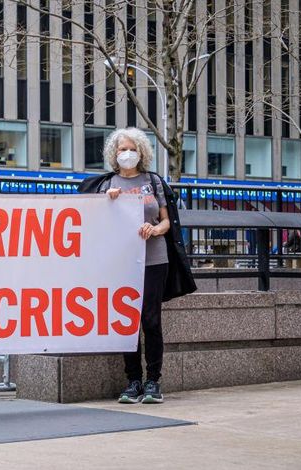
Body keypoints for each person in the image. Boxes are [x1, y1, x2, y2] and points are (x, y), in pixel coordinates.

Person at [78, 127, 195, 405]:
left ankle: (153, 381)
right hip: (122, 262)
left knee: (151, 319)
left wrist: (154, 230)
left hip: (154, 259)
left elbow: (167, 221)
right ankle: (133, 381)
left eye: (131, 148)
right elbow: (94, 223)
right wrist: (107, 203)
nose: (127, 154)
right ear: (113, 154)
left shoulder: (152, 181)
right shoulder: (106, 185)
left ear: (141, 152)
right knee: (127, 321)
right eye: (122, 149)